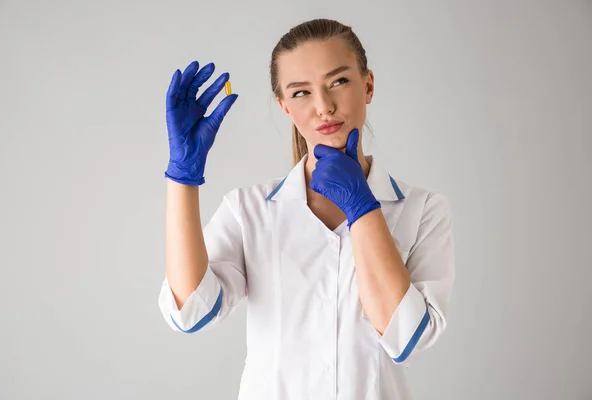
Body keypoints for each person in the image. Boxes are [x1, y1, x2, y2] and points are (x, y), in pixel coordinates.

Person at [158, 18, 455, 400]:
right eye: (301, 93)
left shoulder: (423, 209)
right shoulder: (249, 210)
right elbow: (191, 312)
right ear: (284, 106)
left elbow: (408, 336)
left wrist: (362, 206)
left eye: (339, 82)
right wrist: (183, 177)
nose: (324, 106)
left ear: (368, 86)